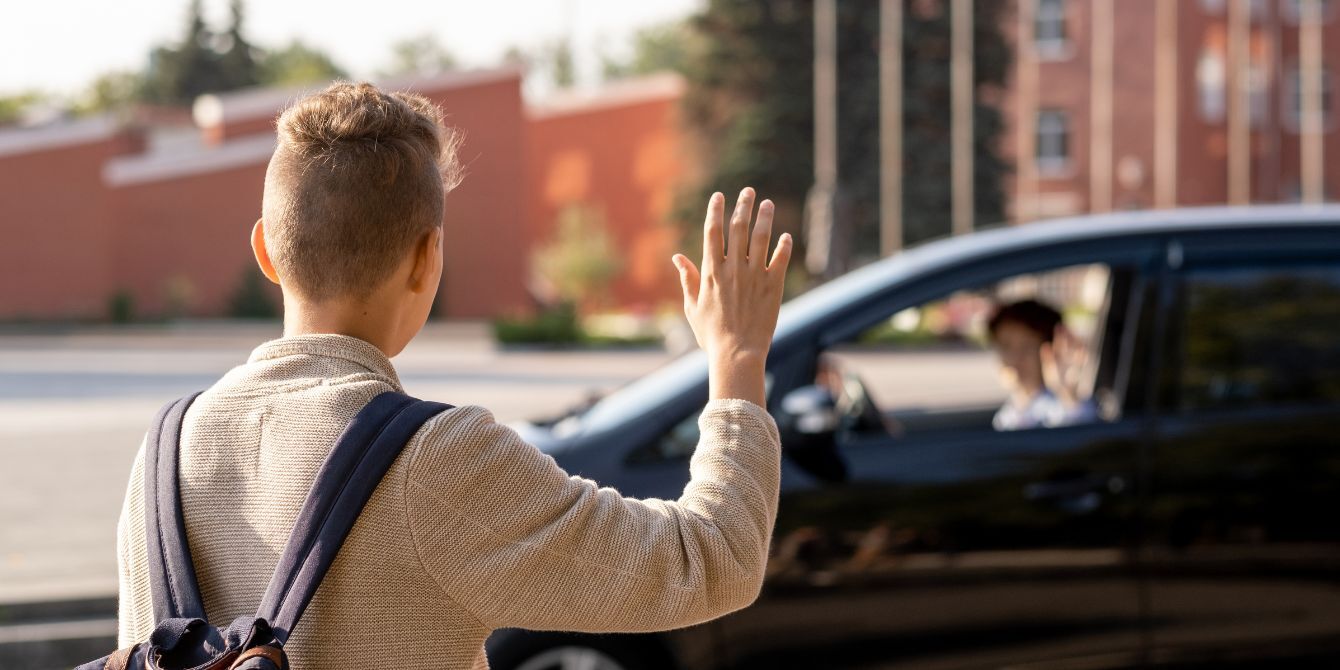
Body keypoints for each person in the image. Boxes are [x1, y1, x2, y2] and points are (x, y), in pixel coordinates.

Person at [113, 82, 793, 669]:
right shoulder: (436, 461)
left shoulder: (165, 452)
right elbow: (712, 559)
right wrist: (735, 361)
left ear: (265, 248)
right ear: (428, 258)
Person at [986, 298, 1098, 431]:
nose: (1015, 358)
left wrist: (1068, 393)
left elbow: (1084, 434)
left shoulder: (1059, 408)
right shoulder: (1008, 414)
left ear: (1051, 351)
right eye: (1006, 346)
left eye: (1027, 347)